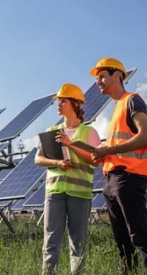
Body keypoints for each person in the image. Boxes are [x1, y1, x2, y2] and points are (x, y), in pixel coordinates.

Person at [90, 58, 147, 275]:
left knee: (137, 234)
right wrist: (103, 156)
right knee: (121, 239)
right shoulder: (116, 108)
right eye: (97, 78)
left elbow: (145, 136)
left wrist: (107, 151)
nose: (98, 82)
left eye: (102, 76)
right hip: (112, 179)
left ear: (118, 76)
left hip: (129, 177)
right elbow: (120, 146)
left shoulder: (132, 101)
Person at [35, 83, 100, 275]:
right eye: (58, 101)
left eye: (62, 101)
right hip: (54, 192)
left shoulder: (89, 133)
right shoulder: (52, 131)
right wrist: (57, 163)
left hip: (79, 194)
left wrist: (71, 145)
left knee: (77, 242)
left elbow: (95, 159)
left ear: (75, 104)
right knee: (50, 241)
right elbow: (38, 158)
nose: (58, 105)